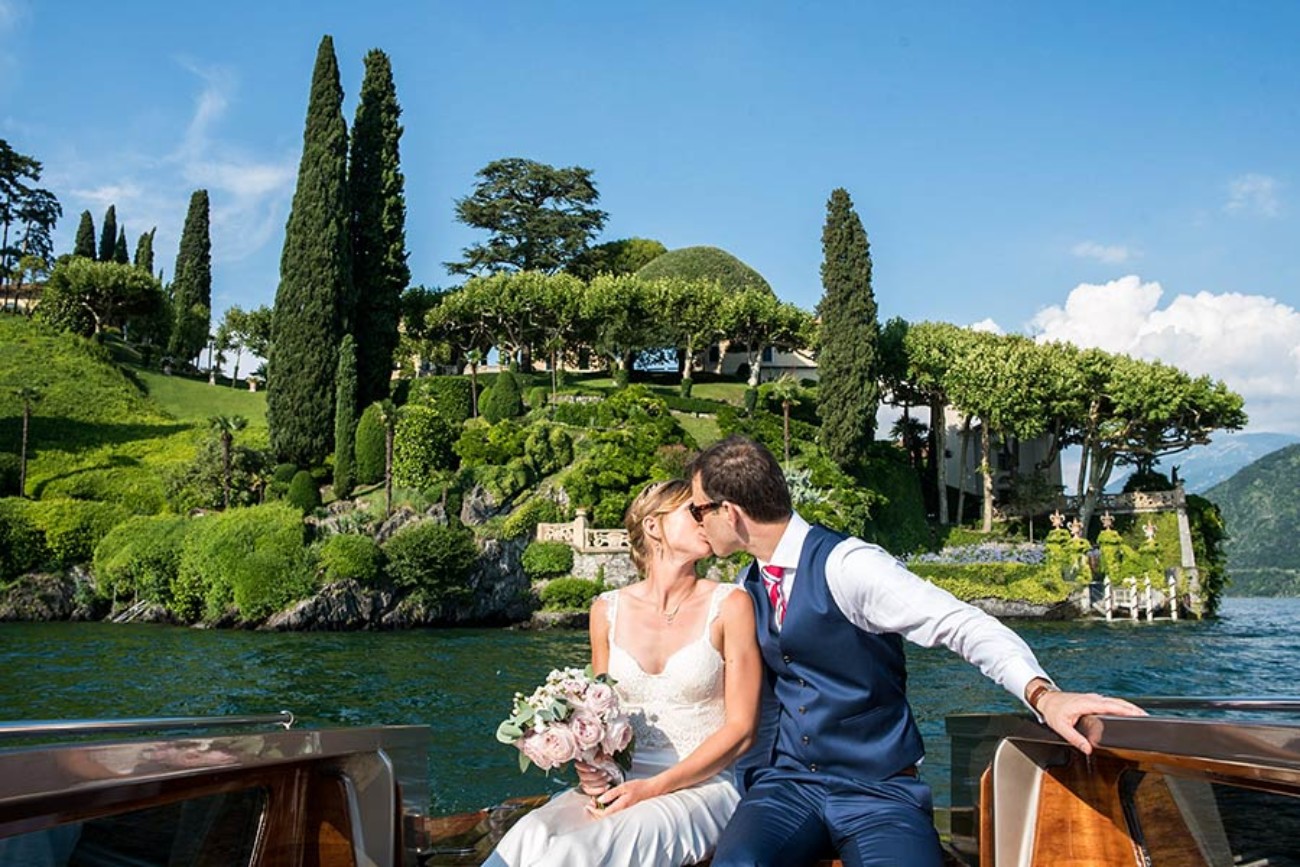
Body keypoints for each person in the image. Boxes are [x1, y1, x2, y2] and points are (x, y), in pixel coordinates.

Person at [688, 435, 1147, 867]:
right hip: (788, 786)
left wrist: (1044, 695)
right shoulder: (747, 585)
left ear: (729, 513)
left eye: (698, 510)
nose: (696, 521)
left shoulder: (849, 566)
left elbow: (960, 624)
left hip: (878, 790)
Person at [484, 479, 763, 867]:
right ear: (653, 526)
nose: (707, 520)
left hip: (703, 787)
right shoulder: (606, 609)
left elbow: (743, 731)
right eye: (694, 511)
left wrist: (652, 789)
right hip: (621, 783)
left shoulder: (731, 604)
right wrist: (590, 767)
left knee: (575, 853)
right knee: (529, 838)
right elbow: (596, 716)